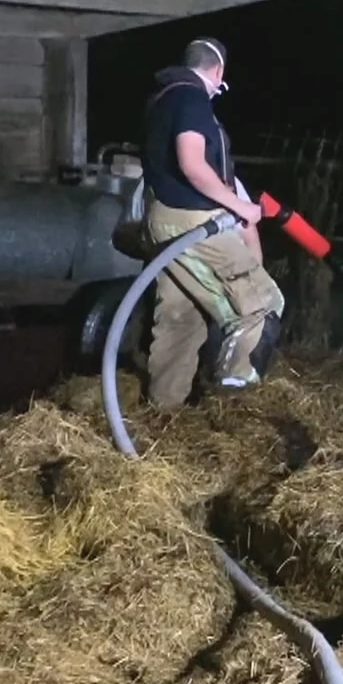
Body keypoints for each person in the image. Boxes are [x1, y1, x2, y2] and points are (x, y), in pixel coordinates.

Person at [139, 37, 284, 407]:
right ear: (217, 71)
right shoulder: (192, 98)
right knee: (261, 304)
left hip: (161, 221)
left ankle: (163, 413)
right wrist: (240, 206)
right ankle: (233, 400)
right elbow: (192, 164)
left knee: (180, 320)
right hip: (192, 223)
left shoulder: (161, 99)